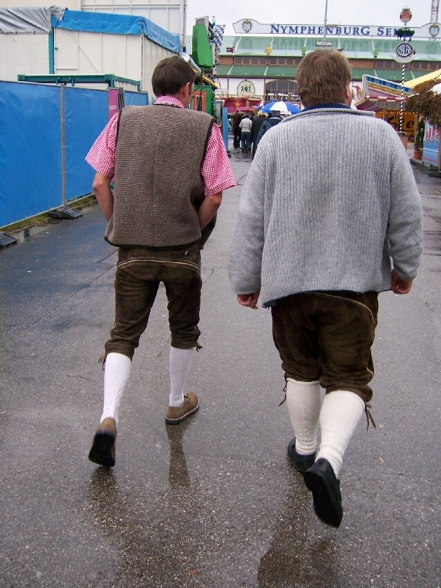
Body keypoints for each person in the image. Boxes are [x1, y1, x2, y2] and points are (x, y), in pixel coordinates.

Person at [228, 50, 422, 528]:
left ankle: (306, 450)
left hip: (290, 287)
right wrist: (405, 265)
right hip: (353, 289)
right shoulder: (381, 136)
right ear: (348, 87)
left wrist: (245, 280)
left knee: (300, 370)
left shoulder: (276, 141)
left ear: (300, 89)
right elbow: (406, 212)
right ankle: (328, 462)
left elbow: (252, 219)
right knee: (350, 379)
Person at [85, 55, 236, 467]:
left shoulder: (124, 121)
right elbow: (217, 193)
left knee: (123, 334)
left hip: (132, 247)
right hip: (182, 250)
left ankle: (108, 416)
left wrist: (119, 221)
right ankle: (174, 402)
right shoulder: (204, 127)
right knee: (183, 327)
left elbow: (100, 180)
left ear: (155, 88)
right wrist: (193, 230)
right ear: (188, 90)